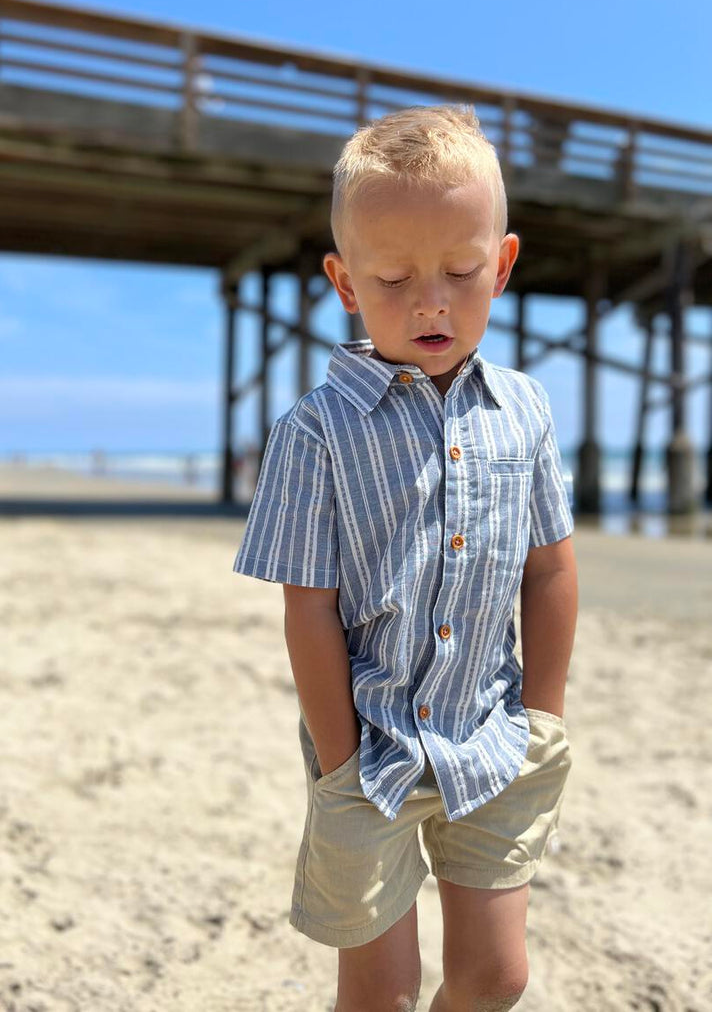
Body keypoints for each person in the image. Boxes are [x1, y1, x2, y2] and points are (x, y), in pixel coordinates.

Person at [232, 104, 577, 1012]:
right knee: (379, 995)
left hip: (493, 736)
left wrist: (544, 714)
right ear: (345, 283)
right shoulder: (316, 430)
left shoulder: (528, 412)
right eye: (393, 278)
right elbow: (306, 606)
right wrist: (340, 761)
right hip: (371, 750)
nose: (431, 300)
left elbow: (550, 568)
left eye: (462, 272)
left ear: (501, 264)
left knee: (497, 974)